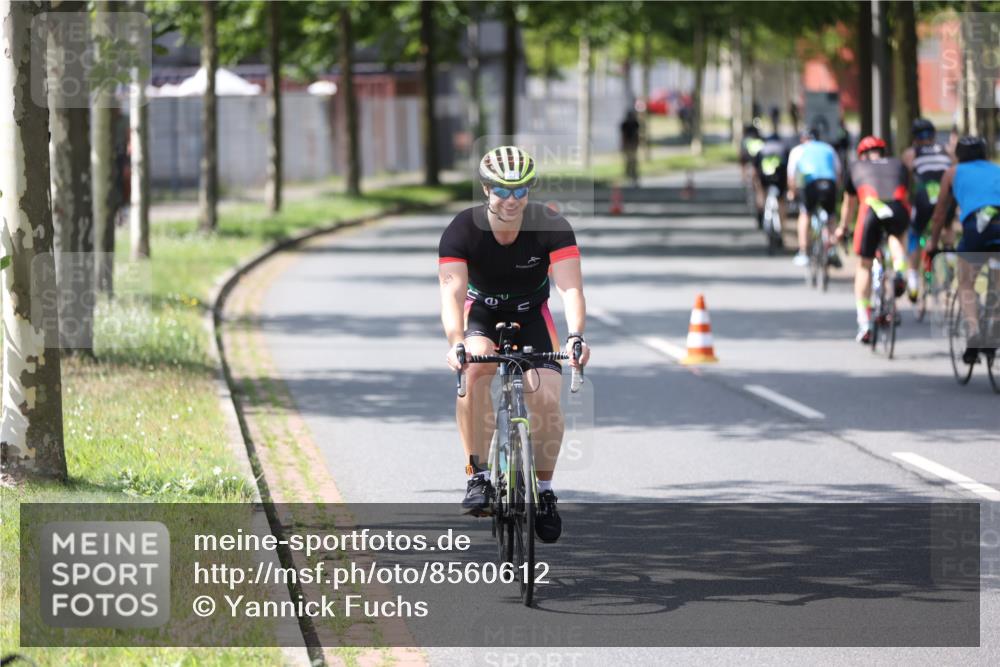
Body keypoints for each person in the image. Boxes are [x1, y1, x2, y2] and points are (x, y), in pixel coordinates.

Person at [438, 146, 591, 543]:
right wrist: (457, 342)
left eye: (520, 191)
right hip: (482, 314)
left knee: (545, 396)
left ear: (530, 191)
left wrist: (575, 336)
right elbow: (452, 297)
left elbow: (570, 288)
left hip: (532, 314)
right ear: (486, 188)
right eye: (502, 191)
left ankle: (545, 491)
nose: (511, 200)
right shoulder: (462, 230)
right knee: (474, 371)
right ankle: (479, 476)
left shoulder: (550, 224)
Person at [925, 135, 1000, 362]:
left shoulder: (953, 172)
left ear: (958, 154)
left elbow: (939, 214)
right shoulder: (997, 169)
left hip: (976, 228)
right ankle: (995, 330)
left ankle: (975, 332)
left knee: (966, 282)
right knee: (998, 284)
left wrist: (933, 242)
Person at [835, 135, 911, 343]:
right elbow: (905, 193)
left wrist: (843, 228)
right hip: (896, 208)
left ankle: (864, 322)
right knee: (896, 234)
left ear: (862, 154)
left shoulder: (856, 166)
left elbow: (849, 204)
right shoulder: (898, 164)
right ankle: (900, 270)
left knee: (864, 266)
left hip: (871, 210)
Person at [901, 117, 955, 301]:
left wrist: (907, 198)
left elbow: (906, 179)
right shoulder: (946, 150)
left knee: (915, 232)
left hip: (924, 196)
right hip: (946, 195)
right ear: (933, 135)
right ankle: (949, 259)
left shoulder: (911, 153)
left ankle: (914, 280)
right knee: (947, 226)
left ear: (915, 137)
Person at [787, 127, 841, 267]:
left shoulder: (798, 150)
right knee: (831, 216)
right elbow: (838, 172)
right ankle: (832, 248)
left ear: (803, 139)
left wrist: (792, 192)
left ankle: (803, 251)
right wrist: (837, 190)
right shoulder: (829, 148)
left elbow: (792, 175)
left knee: (805, 214)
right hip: (829, 183)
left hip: (810, 184)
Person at [751, 130, 790, 233]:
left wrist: (754, 182)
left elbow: (755, 169)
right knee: (781, 201)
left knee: (760, 192)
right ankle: (782, 227)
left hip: (765, 177)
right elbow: (789, 167)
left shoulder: (762, 149)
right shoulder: (784, 148)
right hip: (780, 178)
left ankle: (760, 213)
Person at [620, 109, 641, 185]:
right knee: (629, 160)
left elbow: (637, 134)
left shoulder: (635, 123)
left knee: (633, 160)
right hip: (628, 143)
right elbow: (623, 136)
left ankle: (633, 174)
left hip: (633, 144)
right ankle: (629, 173)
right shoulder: (625, 124)